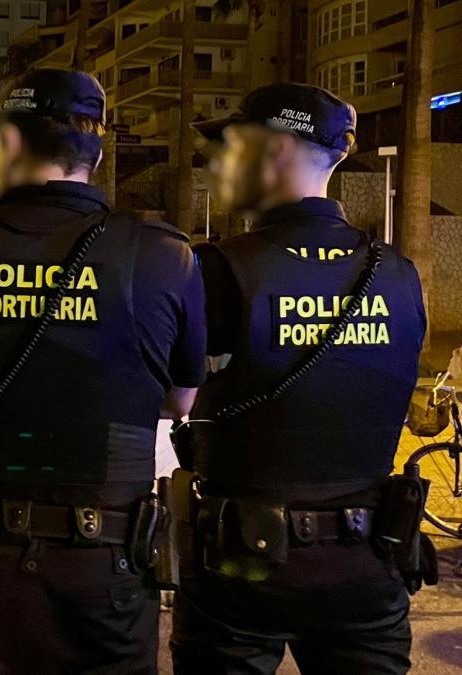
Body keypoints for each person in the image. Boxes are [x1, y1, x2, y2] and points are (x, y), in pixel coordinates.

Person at [0, 69, 206, 673]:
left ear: (11, 145)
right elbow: (180, 401)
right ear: (93, 152)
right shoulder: (164, 253)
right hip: (103, 570)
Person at [170, 83, 427, 675]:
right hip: (370, 561)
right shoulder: (399, 275)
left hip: (242, 568)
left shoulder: (217, 270)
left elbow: (176, 398)